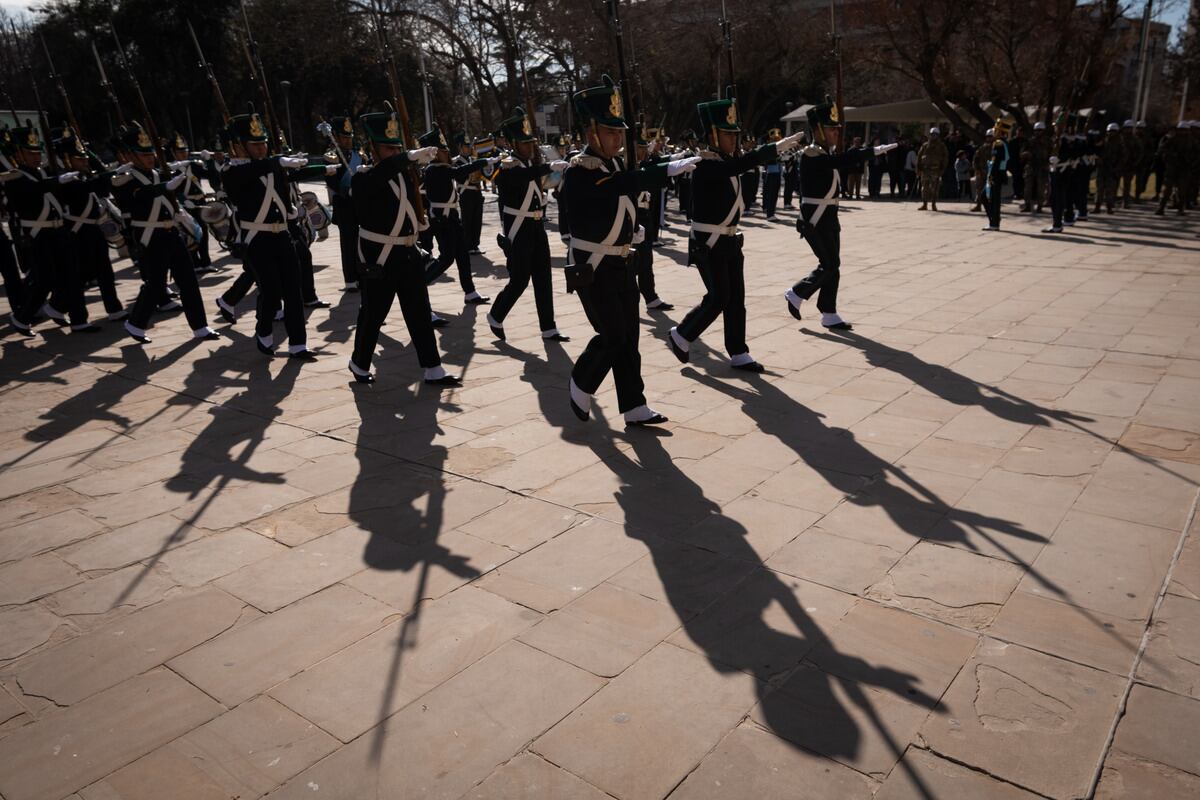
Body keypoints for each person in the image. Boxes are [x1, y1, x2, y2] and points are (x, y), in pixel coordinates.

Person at [562, 75, 697, 426]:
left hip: (622, 261)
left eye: (620, 132)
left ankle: (633, 404)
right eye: (611, 132)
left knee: (630, 337)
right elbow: (615, 187)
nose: (618, 138)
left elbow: (624, 192)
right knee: (612, 334)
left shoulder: (617, 164)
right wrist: (664, 169)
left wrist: (632, 228)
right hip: (592, 266)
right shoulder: (579, 172)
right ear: (591, 133)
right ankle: (582, 379)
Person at [668, 97, 802, 374]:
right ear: (714, 135)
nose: (733, 139)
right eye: (728, 134)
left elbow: (734, 167)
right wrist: (771, 149)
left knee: (736, 299)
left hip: (729, 238)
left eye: (734, 134)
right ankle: (682, 333)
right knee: (718, 297)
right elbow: (733, 169)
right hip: (709, 240)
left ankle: (738, 350)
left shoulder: (726, 160)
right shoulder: (704, 163)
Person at [347, 109, 457, 386]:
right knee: (374, 313)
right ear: (372, 149)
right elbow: (380, 177)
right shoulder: (363, 177)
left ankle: (433, 367)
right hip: (379, 256)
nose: (394, 152)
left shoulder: (405, 175)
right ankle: (359, 361)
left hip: (407, 252)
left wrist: (418, 226)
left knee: (419, 311)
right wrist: (405, 157)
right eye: (388, 147)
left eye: (398, 147)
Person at [221, 112, 328, 357]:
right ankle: (264, 328)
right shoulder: (232, 171)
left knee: (293, 288)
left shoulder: (271, 166)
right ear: (240, 146)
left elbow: (288, 177)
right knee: (270, 289)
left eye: (263, 143)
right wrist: (277, 162)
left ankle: (298, 343)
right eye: (255, 144)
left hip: (281, 235)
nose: (261, 148)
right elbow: (246, 180)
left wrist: (325, 168)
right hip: (256, 238)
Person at [784, 98, 896, 330]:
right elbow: (840, 161)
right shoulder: (811, 153)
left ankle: (828, 311)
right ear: (817, 130)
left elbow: (837, 161)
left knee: (834, 264)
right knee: (829, 263)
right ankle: (796, 293)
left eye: (836, 128)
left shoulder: (824, 152)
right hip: (814, 217)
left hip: (829, 216)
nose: (836, 132)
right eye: (831, 128)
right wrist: (870, 151)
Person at [112, 122, 217, 344]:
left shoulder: (158, 173)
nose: (150, 158)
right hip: (150, 235)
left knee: (188, 280)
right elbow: (139, 196)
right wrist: (165, 188)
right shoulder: (125, 179)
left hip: (171, 232)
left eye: (151, 153)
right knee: (156, 283)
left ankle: (200, 326)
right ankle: (136, 322)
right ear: (132, 155)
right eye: (144, 154)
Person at [4, 122, 97, 336]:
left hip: (58, 230)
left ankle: (79, 320)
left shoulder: (44, 171)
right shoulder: (15, 177)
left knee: (72, 275)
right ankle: (22, 317)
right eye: (30, 153)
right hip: (38, 234)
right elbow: (29, 193)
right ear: (19, 154)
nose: (36, 157)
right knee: (45, 279)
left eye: (38, 152)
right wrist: (55, 181)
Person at [486, 107, 569, 342]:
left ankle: (548, 327)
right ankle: (496, 314)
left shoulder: (530, 163)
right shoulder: (509, 165)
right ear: (513, 143)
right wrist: (546, 167)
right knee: (520, 279)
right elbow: (518, 179)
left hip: (536, 226)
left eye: (531, 142)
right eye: (524, 143)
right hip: (519, 228)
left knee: (544, 277)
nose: (529, 146)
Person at [53, 127, 125, 323]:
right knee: (78, 276)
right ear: (68, 159)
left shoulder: (82, 175)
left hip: (93, 228)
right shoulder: (65, 179)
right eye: (80, 159)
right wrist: (106, 171)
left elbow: (101, 185)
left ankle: (114, 309)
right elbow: (94, 186)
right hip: (76, 232)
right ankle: (68, 312)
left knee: (104, 271)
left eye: (85, 158)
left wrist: (91, 155)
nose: (85, 162)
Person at [420, 124, 490, 305]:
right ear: (434, 153)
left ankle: (470, 292)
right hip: (442, 219)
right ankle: (419, 285)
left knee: (462, 255)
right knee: (446, 257)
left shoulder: (440, 167)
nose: (448, 154)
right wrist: (483, 162)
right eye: (444, 151)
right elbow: (458, 172)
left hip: (451, 216)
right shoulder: (433, 169)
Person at [323, 114, 365, 292]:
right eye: (344, 137)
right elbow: (331, 181)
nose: (348, 140)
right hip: (345, 205)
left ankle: (362, 274)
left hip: (360, 204)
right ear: (337, 137)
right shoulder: (331, 157)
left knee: (361, 242)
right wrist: (346, 190)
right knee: (348, 243)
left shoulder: (358, 154)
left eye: (350, 137)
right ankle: (350, 279)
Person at [454, 133, 486, 255]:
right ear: (460, 147)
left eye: (469, 146)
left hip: (477, 193)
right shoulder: (457, 161)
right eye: (466, 146)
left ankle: (475, 244)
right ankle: (467, 245)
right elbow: (460, 177)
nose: (468, 148)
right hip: (466, 193)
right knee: (467, 220)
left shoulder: (474, 159)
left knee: (477, 220)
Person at [982, 127, 1010, 231]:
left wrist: (991, 175)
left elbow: (996, 161)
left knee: (991, 199)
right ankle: (994, 220)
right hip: (997, 174)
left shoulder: (998, 144)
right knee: (989, 198)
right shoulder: (1002, 143)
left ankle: (994, 222)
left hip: (995, 175)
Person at [1094, 122, 1123, 215]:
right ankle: (1097, 206)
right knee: (1099, 189)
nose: (1111, 133)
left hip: (1112, 169)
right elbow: (1096, 151)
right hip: (1102, 169)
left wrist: (1117, 168)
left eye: (1113, 131)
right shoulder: (1103, 141)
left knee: (1110, 190)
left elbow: (1122, 157)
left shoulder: (1119, 144)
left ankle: (1109, 207)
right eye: (1110, 131)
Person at [917, 127, 948, 210]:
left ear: (938, 136)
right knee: (924, 188)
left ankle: (933, 204)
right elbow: (919, 157)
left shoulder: (941, 146)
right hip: (925, 170)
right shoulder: (925, 145)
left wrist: (942, 170)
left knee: (934, 189)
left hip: (935, 170)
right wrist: (918, 169)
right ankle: (924, 204)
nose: (933, 136)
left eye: (935, 135)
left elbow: (945, 158)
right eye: (932, 134)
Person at [1021, 121, 1049, 213]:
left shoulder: (1048, 142)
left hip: (1042, 166)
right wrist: (1026, 154)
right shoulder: (1030, 141)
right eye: (1036, 130)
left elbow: (1053, 153)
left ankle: (1040, 206)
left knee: (1041, 188)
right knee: (1027, 187)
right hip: (1031, 166)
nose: (1038, 132)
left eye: (1040, 130)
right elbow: (1022, 153)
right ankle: (1027, 205)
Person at [762, 128, 783, 219]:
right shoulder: (767, 148)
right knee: (771, 193)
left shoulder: (777, 148)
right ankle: (769, 214)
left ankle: (771, 212)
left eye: (778, 139)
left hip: (777, 172)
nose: (777, 141)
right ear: (769, 140)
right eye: (774, 139)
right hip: (770, 172)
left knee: (774, 194)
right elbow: (766, 160)